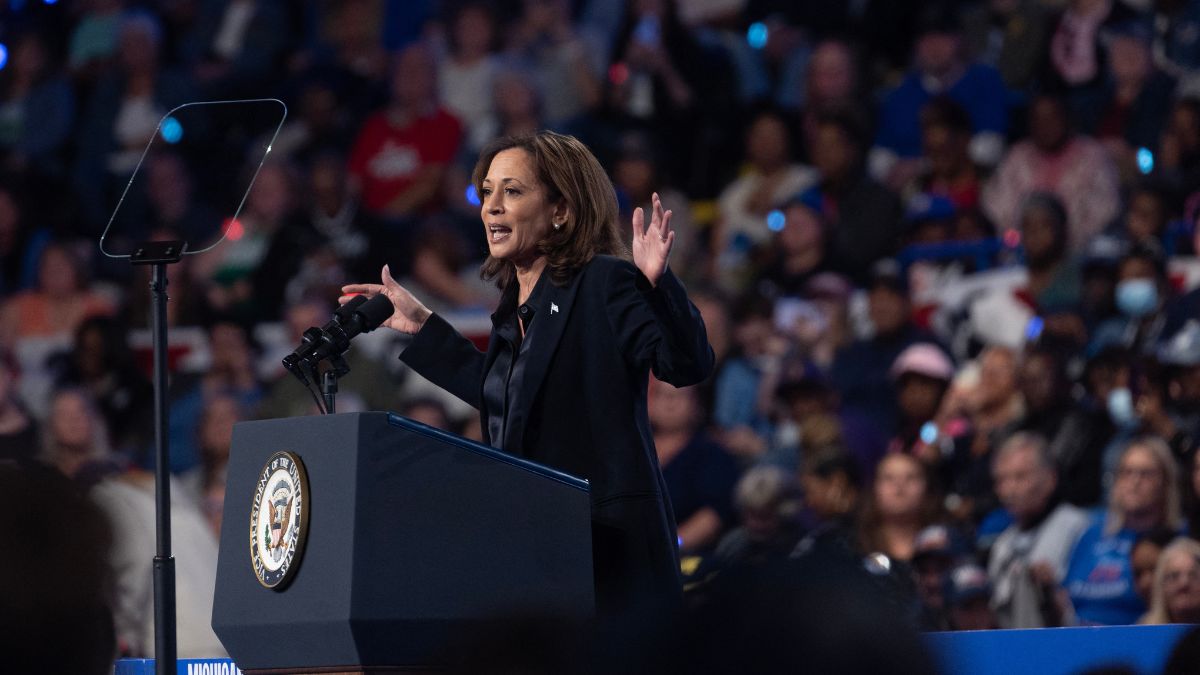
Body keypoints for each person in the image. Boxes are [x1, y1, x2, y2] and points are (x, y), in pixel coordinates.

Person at [340, 131, 713, 613]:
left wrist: (659, 286)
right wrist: (425, 327)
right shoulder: (512, 309)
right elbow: (509, 400)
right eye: (487, 191)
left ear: (560, 210)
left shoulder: (604, 281)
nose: (491, 206)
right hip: (536, 546)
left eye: (512, 191)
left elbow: (686, 365)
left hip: (607, 551)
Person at [1062, 436, 1185, 625]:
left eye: (1146, 474)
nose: (1135, 482)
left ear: (1165, 482)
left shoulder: (1178, 541)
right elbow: (1067, 598)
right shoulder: (1092, 534)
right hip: (1077, 636)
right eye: (1127, 473)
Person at [987, 432, 1090, 628]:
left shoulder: (1078, 528)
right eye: (1001, 480)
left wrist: (1050, 589)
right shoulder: (1002, 545)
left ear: (1050, 479)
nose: (1009, 489)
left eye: (1020, 477)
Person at [1139, 536, 1200, 624]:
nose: (1184, 583)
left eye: (1193, 575)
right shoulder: (1144, 631)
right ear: (1161, 585)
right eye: (1174, 576)